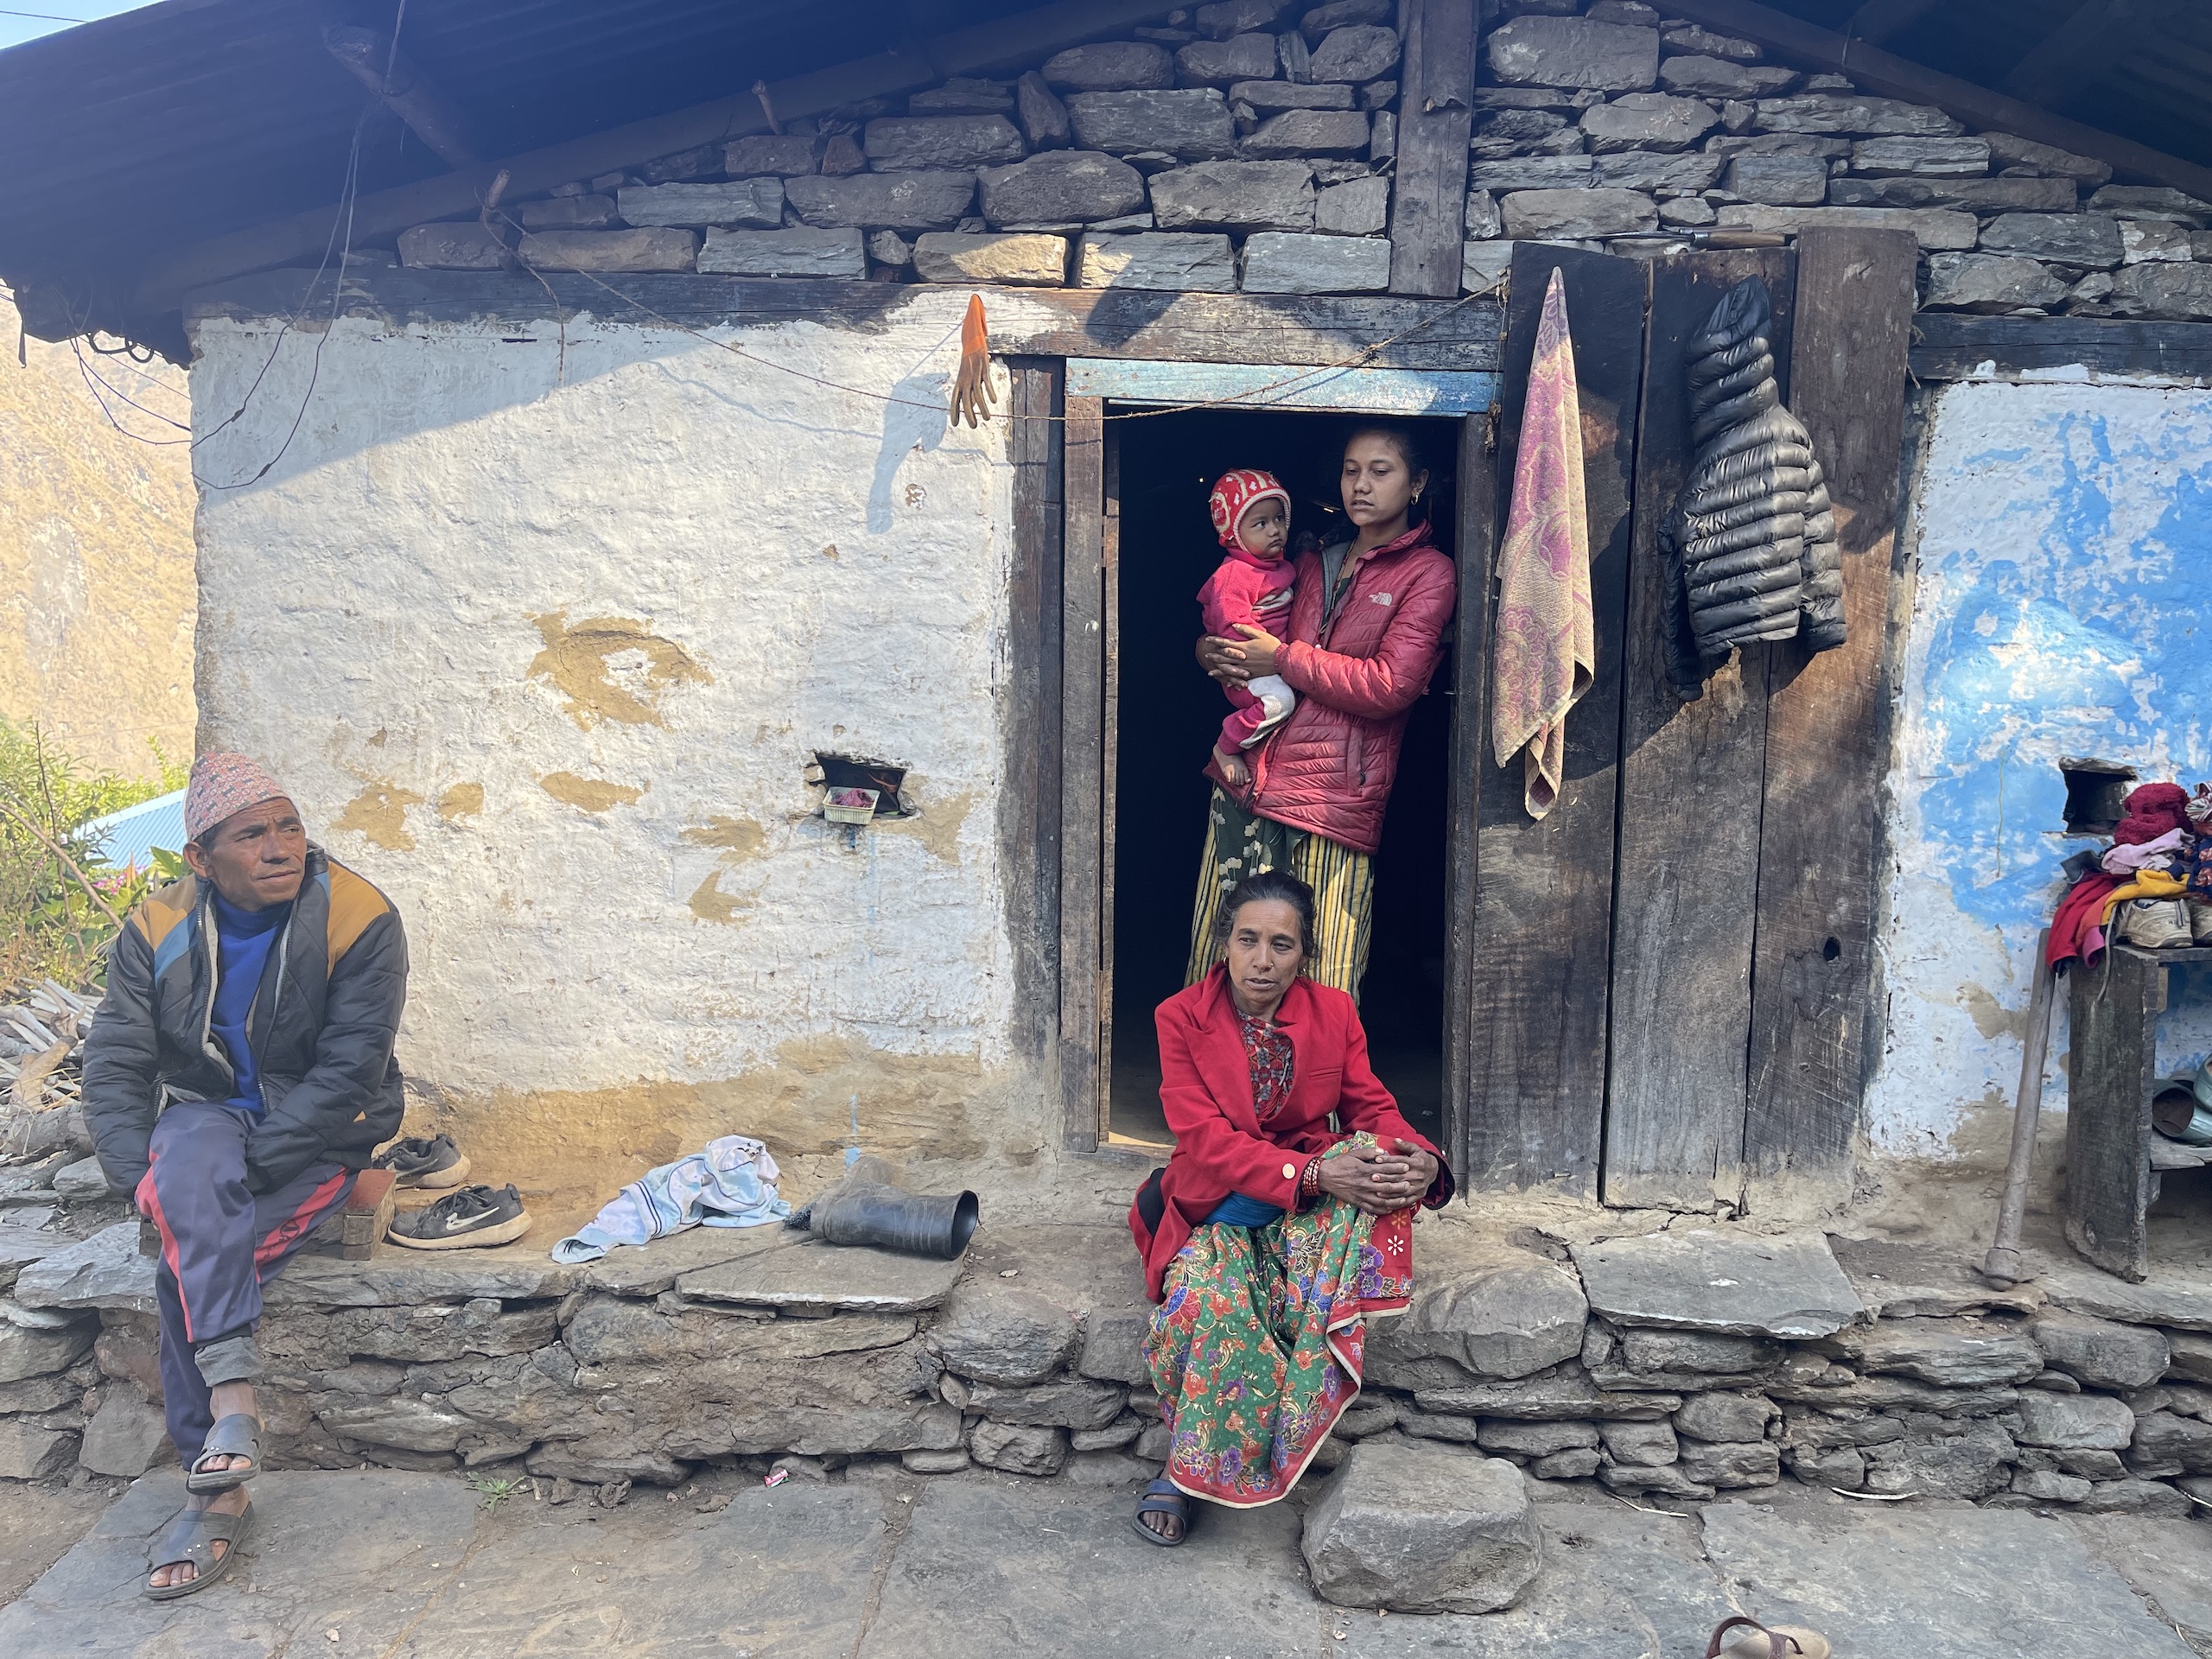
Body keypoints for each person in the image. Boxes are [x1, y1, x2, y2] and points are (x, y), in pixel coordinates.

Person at [82, 753, 408, 1599]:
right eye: (252, 833)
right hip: (209, 1120)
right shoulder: (155, 928)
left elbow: (350, 1075)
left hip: (323, 1123)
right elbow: (116, 1063)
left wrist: (221, 1185)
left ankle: (216, 1482)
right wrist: (138, 1180)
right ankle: (233, 1409)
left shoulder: (360, 916)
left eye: (290, 826)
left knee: (184, 1255)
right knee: (186, 1153)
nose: (280, 848)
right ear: (200, 858)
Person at [1128, 869, 1453, 1544]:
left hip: (1311, 1192)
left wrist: (1424, 1162)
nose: (1263, 960)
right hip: (1223, 1200)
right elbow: (1205, 1141)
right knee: (1208, 1302)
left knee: (1379, 1149)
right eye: (1248, 939)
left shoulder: (1333, 1012)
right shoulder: (1180, 1017)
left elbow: (1372, 1107)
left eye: (1282, 944)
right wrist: (1311, 1173)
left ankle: (1313, 1278)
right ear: (1225, 944)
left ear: (1303, 955)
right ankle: (1186, 1469)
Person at [1186, 425, 1456, 998]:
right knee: (1222, 966)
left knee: (1324, 977)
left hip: (1333, 801)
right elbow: (1244, 623)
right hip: (1247, 783)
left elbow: (1390, 685)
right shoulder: (1309, 556)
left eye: (1380, 471)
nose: (1361, 485)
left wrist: (1283, 658)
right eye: (1352, 470)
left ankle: (1310, 1092)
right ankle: (1215, 1090)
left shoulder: (1428, 574)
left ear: (1418, 483)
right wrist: (1208, 649)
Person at [1198, 467, 1298, 788]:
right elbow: (1233, 629)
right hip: (1248, 670)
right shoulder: (1234, 575)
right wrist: (1259, 662)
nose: (1275, 531)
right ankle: (1225, 747)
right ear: (1234, 534)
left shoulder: (1280, 567)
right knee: (1281, 703)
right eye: (1260, 524)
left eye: (1279, 519)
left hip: (1273, 661)